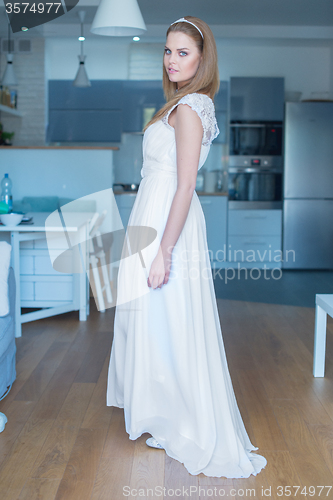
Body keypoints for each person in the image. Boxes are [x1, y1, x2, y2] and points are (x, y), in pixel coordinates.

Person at [107, 16, 267, 478]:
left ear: (202, 59)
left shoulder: (193, 106)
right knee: (159, 320)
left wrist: (164, 250)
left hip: (167, 224)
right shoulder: (177, 104)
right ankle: (166, 413)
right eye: (168, 50)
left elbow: (184, 186)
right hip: (154, 216)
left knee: (170, 317)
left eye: (183, 53)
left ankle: (184, 419)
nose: (172, 60)